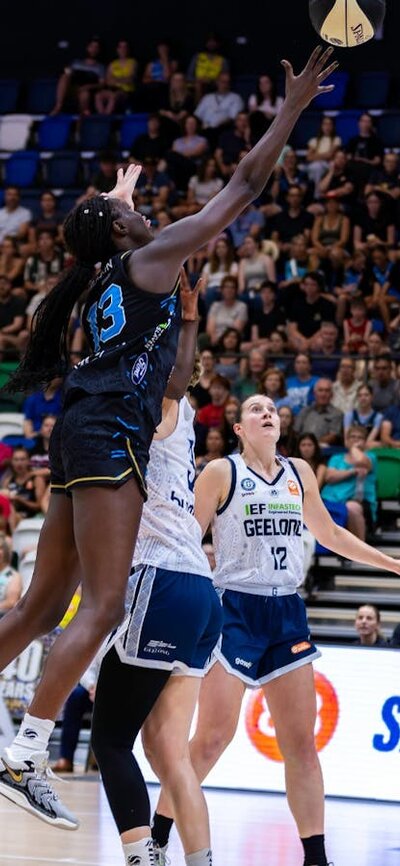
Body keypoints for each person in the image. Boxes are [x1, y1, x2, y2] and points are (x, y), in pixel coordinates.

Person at [0, 47, 339, 834]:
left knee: (46, 602)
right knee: (104, 599)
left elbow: (176, 378)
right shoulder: (146, 258)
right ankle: (25, 751)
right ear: (123, 230)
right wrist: (288, 109)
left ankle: (22, 740)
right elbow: (244, 187)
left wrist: (116, 203)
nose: (148, 213)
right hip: (108, 431)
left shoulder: (109, 276)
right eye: (132, 211)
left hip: (77, 431)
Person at [150, 392, 400, 866]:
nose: (267, 413)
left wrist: (389, 563)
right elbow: (185, 542)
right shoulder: (221, 472)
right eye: (255, 410)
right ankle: (158, 837)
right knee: (211, 739)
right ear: (240, 429)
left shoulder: (299, 474)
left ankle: (316, 858)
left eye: (272, 410)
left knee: (301, 745)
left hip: (286, 612)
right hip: (234, 611)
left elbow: (330, 534)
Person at [93, 340, 222, 866]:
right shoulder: (183, 411)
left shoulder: (159, 405)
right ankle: (201, 860)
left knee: (109, 740)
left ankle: (141, 857)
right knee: (171, 756)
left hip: (163, 580)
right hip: (199, 592)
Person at [321, 425, 378, 541]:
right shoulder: (336, 458)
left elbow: (361, 461)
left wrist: (354, 448)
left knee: (352, 507)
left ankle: (361, 549)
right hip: (331, 498)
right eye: (352, 437)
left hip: (360, 501)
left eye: (360, 438)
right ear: (346, 440)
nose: (356, 440)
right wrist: (352, 471)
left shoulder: (371, 457)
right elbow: (330, 476)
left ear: (365, 442)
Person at [51, 37, 105, 115]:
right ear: (87, 48)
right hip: (72, 88)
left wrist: (88, 86)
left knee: (85, 94)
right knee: (64, 77)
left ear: (99, 50)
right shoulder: (77, 62)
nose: (93, 49)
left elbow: (102, 84)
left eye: (96, 47)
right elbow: (67, 72)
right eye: (92, 47)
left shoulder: (100, 67)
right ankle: (58, 106)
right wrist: (68, 72)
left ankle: (82, 118)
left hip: (85, 90)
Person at [94, 40, 137, 115]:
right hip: (112, 89)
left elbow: (130, 79)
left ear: (128, 49)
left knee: (113, 96)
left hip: (126, 91)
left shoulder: (133, 62)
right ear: (117, 50)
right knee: (98, 96)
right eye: (121, 47)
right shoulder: (113, 64)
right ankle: (101, 117)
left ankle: (106, 118)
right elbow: (108, 81)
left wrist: (115, 79)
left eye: (125, 47)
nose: (123, 49)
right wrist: (122, 79)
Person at [306, 116, 341, 189]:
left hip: (328, 164)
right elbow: (309, 157)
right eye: (325, 124)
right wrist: (324, 155)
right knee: (313, 167)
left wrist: (315, 155)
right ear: (321, 126)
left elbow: (330, 155)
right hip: (316, 164)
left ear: (333, 126)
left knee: (316, 167)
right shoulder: (314, 140)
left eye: (329, 124)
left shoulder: (336, 139)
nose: (327, 127)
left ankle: (317, 194)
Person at [343, 384, 383, 448]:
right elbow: (346, 442)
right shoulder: (349, 415)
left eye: (366, 395)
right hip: (351, 450)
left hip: (368, 451)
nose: (363, 398)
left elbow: (368, 442)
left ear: (372, 397)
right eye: (360, 395)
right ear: (357, 398)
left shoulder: (378, 417)